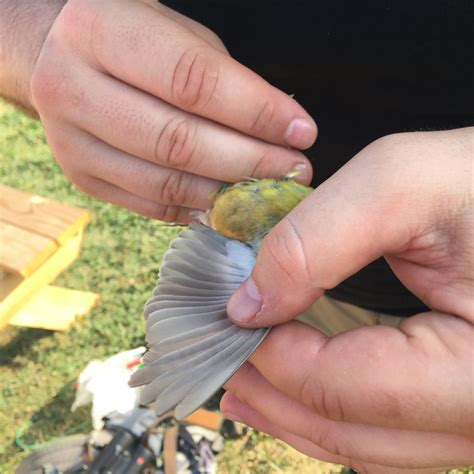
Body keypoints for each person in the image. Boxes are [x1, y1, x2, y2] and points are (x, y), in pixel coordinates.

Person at [1, 1, 472, 471]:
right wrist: (32, 32)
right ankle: (190, 412)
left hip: (438, 288)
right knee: (252, 348)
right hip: (300, 282)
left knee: (371, 437)